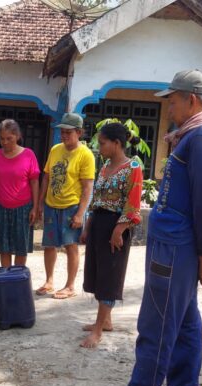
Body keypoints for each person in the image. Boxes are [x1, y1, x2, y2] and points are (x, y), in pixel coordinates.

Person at [95, 70, 202, 386]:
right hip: (177, 244)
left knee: (155, 325)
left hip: (176, 247)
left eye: (172, 100)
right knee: (186, 319)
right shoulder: (199, 134)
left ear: (191, 98)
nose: (169, 107)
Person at [79, 123, 143, 349]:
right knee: (97, 271)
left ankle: (97, 331)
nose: (99, 147)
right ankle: (105, 321)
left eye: (103, 143)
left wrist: (119, 230)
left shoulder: (133, 166)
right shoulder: (105, 165)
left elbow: (132, 201)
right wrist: (88, 225)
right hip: (98, 222)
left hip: (116, 225)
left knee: (109, 275)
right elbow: (97, 198)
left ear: (117, 144)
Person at [36, 113, 95, 299]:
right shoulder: (55, 150)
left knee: (71, 245)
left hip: (72, 207)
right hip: (51, 205)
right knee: (49, 244)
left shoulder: (86, 155)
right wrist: (39, 203)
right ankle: (49, 281)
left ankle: (70, 286)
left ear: (79, 132)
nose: (64, 136)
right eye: (62, 132)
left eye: (68, 132)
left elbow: (87, 187)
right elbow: (46, 177)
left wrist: (80, 213)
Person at [0, 119, 40, 267]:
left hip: (23, 208)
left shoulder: (28, 155)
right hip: (1, 207)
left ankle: (17, 280)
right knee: (4, 247)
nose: (5, 142)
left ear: (17, 136)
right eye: (2, 139)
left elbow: (35, 182)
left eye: (9, 138)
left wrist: (35, 207)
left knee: (20, 248)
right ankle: (6, 279)